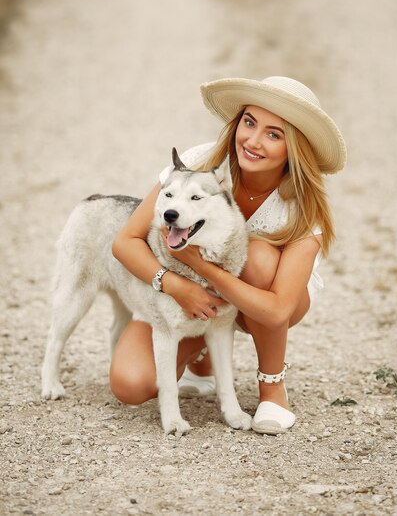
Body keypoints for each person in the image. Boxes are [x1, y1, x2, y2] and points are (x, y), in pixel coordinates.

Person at [110, 76, 347, 434]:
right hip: (189, 288)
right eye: (249, 123)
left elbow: (278, 308)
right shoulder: (199, 162)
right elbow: (125, 241)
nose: (252, 140)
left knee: (257, 257)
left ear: (294, 148)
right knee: (131, 383)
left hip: (268, 295)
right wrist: (174, 284)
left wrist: (198, 263)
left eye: (274, 134)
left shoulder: (301, 204)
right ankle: (202, 360)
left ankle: (272, 388)